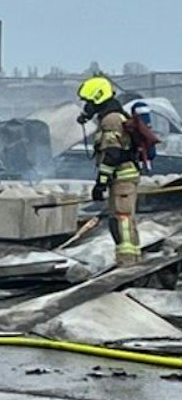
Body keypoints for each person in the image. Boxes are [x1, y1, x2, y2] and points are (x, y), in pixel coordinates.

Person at [79, 75, 143, 266]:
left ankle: (127, 260)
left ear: (98, 98)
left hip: (122, 177)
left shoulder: (111, 119)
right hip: (121, 178)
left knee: (122, 219)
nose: (86, 107)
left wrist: (101, 182)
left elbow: (112, 154)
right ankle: (132, 258)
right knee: (124, 218)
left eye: (89, 102)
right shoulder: (111, 116)